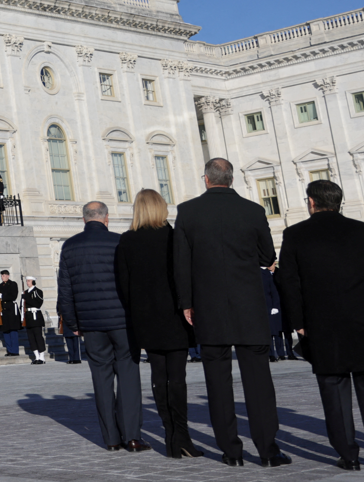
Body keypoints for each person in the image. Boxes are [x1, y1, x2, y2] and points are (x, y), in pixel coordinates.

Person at [174, 158, 287, 467]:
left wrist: (186, 302)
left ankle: (230, 451)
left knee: (218, 382)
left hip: (208, 308)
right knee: (259, 381)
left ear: (206, 180)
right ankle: (268, 449)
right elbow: (267, 255)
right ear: (232, 179)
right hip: (248, 306)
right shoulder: (253, 210)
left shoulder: (188, 212)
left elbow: (180, 263)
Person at [277, 179, 364, 471]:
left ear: (312, 202)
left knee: (334, 390)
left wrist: (298, 324)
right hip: (361, 321)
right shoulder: (361, 231)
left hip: (322, 324)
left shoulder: (296, 234)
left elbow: (290, 283)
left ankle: (349, 455)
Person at [116, 188, 198, 459]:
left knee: (159, 377)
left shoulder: (127, 241)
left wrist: (137, 310)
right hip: (175, 317)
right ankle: (181, 436)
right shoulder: (174, 237)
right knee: (178, 378)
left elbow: (123, 286)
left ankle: (170, 433)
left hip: (146, 319)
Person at [59, 199, 147, 452]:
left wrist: (73, 323)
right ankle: (132, 436)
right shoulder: (120, 241)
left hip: (91, 323)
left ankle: (110, 439)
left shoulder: (70, 246)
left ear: (84, 219)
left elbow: (66, 290)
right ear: (106, 218)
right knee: (129, 378)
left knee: (101, 380)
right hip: (122, 321)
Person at [262, 263, 284, 361]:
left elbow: (274, 292)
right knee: (269, 333)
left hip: (271, 307)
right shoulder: (261, 273)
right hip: (263, 307)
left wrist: (275, 306)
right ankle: (271, 354)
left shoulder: (267, 275)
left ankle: (281, 353)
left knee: (277, 332)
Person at [23, 277, 47, 364]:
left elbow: (38, 303)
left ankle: (42, 357)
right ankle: (36, 356)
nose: (27, 282)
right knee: (31, 338)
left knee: (38, 336)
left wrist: (27, 298)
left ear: (33, 281)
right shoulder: (25, 292)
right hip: (28, 316)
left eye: (29, 281)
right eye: (27, 281)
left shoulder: (38, 291)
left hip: (36, 316)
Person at [0, 271, 21, 356]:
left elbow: (13, 296)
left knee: (13, 330)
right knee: (5, 330)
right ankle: (9, 350)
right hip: (3, 310)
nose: (2, 277)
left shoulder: (13, 284)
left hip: (11, 309)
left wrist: (2, 296)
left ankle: (15, 350)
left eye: (3, 275)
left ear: (8, 276)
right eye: (1, 275)